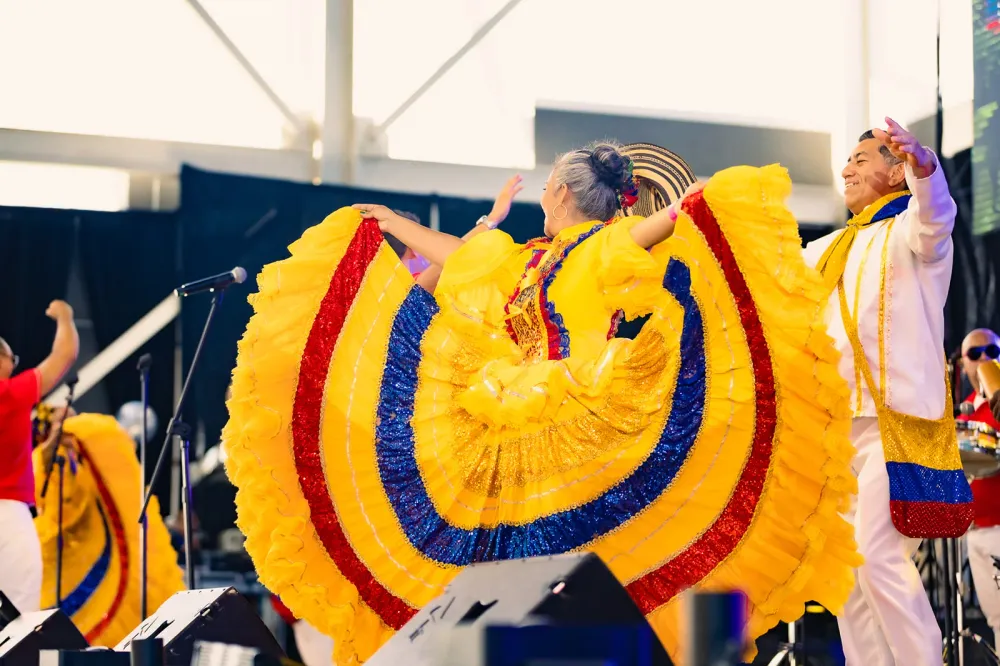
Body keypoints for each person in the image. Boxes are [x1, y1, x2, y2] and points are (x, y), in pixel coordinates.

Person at [222, 141, 859, 665]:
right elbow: (467, 256)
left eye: (550, 186)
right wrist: (392, 224)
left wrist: (709, 197)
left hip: (580, 419)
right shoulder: (526, 259)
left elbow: (663, 226)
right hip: (511, 422)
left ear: (560, 192)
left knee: (579, 565)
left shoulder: (603, 246)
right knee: (513, 568)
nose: (544, 195)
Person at [803, 118, 964, 666]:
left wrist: (927, 169)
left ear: (895, 172)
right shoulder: (823, 249)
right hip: (836, 432)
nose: (846, 167)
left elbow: (938, 215)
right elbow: (768, 280)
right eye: (845, 159)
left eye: (861, 158)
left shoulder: (915, 232)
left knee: (878, 558)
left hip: (898, 426)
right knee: (845, 570)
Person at [32, 409, 184, 645]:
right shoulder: (47, 460)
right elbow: (57, 510)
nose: (70, 418)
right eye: (62, 418)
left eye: (72, 415)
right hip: (73, 552)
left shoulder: (88, 455)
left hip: (109, 545)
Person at [0, 300, 78, 613]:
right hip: (6, 513)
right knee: (20, 614)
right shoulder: (9, 393)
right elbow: (65, 354)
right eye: (11, 358)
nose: (15, 365)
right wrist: (65, 317)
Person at [956, 328, 1000, 645]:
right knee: (996, 620)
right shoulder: (963, 413)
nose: (984, 358)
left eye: (992, 351)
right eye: (975, 354)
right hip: (975, 532)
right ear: (962, 364)